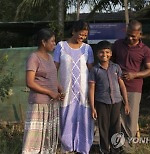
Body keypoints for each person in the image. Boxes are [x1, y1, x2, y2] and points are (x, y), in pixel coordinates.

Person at [53, 20, 94, 154]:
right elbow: (55, 68)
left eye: (85, 35)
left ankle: (83, 147)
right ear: (73, 32)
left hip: (83, 90)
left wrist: (94, 89)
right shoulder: (61, 46)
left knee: (84, 118)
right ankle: (67, 147)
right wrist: (55, 85)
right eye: (81, 34)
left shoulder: (88, 49)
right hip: (65, 89)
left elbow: (91, 70)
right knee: (66, 117)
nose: (82, 37)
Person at [112, 20, 150, 152]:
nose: (130, 38)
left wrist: (134, 75)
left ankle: (128, 150)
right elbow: (110, 62)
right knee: (115, 119)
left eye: (133, 36)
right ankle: (115, 148)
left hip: (134, 88)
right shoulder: (118, 44)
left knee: (130, 120)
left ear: (140, 34)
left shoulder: (145, 50)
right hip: (116, 87)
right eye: (128, 34)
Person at [22, 28, 64, 153]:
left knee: (47, 134)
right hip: (39, 104)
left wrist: (59, 88)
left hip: (52, 103)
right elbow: (30, 82)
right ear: (43, 42)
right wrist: (50, 92)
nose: (54, 44)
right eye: (52, 41)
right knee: (34, 136)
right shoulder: (34, 58)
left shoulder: (50, 58)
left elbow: (52, 78)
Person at [88, 41, 130, 154]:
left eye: (107, 52)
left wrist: (126, 103)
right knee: (103, 128)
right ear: (97, 54)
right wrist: (92, 107)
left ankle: (116, 150)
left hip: (116, 101)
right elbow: (91, 88)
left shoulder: (116, 68)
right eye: (101, 52)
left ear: (111, 53)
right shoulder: (95, 70)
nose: (104, 54)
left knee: (116, 127)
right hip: (101, 102)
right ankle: (105, 150)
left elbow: (122, 85)